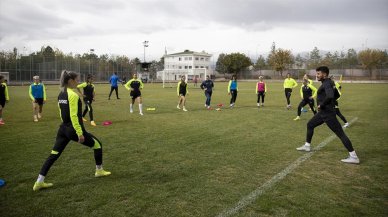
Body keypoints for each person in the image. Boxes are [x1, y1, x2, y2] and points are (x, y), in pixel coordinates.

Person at [32, 70, 111, 191]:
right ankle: (99, 171)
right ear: (70, 81)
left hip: (63, 128)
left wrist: (65, 125)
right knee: (97, 145)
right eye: (76, 80)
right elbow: (74, 116)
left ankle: (39, 182)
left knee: (54, 154)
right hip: (73, 129)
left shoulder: (61, 93)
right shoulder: (73, 95)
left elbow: (61, 112)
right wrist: (79, 133)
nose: (78, 82)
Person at [296, 66, 359, 164]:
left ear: (324, 74)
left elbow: (330, 96)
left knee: (340, 134)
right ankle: (307, 146)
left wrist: (322, 104)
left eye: (318, 74)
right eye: (316, 73)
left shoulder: (326, 83)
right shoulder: (330, 82)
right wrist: (329, 104)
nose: (316, 75)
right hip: (323, 113)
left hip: (328, 114)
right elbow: (337, 95)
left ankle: (354, 157)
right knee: (310, 124)